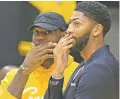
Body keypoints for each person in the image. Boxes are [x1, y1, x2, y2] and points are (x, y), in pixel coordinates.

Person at [44, 1, 119, 99]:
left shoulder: (99, 69)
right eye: (70, 23)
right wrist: (58, 71)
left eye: (77, 24)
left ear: (97, 30)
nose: (69, 30)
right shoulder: (85, 64)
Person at [0, 12, 79, 99]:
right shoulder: (14, 76)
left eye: (47, 32)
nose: (39, 37)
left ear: (64, 36)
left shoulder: (78, 73)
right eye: (36, 32)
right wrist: (24, 70)